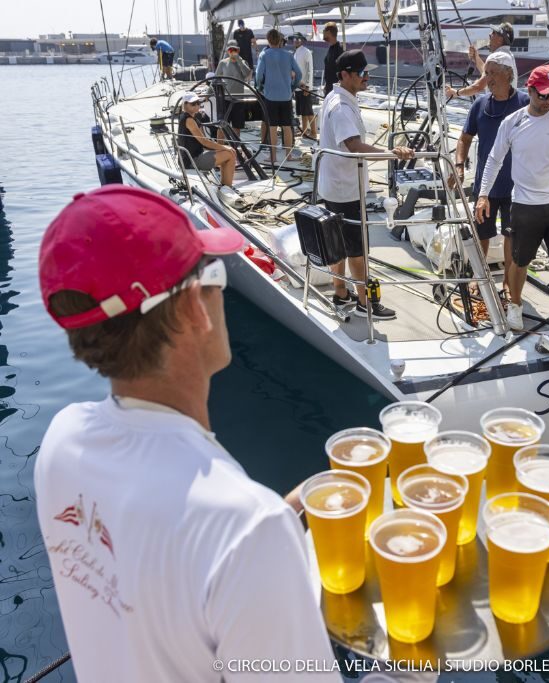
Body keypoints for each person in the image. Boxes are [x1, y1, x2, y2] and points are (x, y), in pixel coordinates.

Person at [35, 185, 340, 682]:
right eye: (215, 273)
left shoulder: (60, 444)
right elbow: (220, 536)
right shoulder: (245, 528)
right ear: (193, 308)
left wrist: (282, 518)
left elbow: (152, 563)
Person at [476, 65, 549, 348]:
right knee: (519, 261)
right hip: (524, 205)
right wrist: (483, 194)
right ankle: (514, 305)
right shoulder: (513, 122)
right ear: (529, 91)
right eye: (542, 96)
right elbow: (494, 159)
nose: (548, 101)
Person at [318, 49, 414, 320]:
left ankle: (340, 292)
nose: (366, 77)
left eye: (367, 72)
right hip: (346, 190)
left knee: (338, 244)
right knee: (357, 250)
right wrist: (392, 153)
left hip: (335, 186)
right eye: (361, 73)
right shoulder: (341, 107)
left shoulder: (336, 97)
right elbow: (353, 145)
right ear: (345, 75)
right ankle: (365, 303)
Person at [452, 50, 528, 296]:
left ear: (509, 74)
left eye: (493, 73)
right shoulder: (480, 104)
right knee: (481, 232)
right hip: (486, 185)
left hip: (516, 185)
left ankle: (507, 279)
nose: (488, 78)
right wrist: (459, 164)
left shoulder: (525, 103)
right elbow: (464, 139)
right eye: (486, 73)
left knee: (511, 235)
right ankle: (479, 275)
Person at [255, 29, 302, 162]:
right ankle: (289, 155)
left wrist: (259, 87)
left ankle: (273, 156)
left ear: (268, 40)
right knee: (287, 126)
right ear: (280, 40)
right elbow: (299, 74)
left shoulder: (264, 55)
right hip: (286, 96)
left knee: (272, 127)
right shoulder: (289, 55)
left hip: (270, 96)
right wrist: (292, 86)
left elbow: (259, 76)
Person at [177, 92, 236, 187]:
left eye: (198, 103)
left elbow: (203, 141)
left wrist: (221, 147)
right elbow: (204, 141)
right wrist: (224, 147)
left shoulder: (191, 117)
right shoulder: (189, 120)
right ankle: (227, 187)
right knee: (231, 154)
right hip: (192, 161)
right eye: (193, 104)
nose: (196, 106)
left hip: (192, 156)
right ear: (185, 104)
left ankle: (225, 186)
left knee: (227, 152)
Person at [445, 23, 518, 99]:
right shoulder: (508, 56)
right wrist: (476, 58)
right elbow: (487, 73)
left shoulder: (497, 57)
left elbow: (478, 86)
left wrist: (456, 93)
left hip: (499, 109)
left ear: (500, 39)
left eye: (493, 33)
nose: (490, 34)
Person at [216, 40, 253, 140]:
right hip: (226, 99)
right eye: (231, 49)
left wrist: (239, 60)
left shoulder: (243, 62)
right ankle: (220, 148)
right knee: (222, 125)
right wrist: (208, 94)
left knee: (237, 126)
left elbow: (246, 74)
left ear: (238, 50)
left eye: (235, 49)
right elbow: (215, 80)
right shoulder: (223, 63)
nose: (233, 52)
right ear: (228, 51)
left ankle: (235, 148)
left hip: (238, 100)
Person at [293, 33, 317, 140]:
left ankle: (313, 132)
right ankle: (304, 131)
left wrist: (307, 86)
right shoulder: (295, 53)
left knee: (308, 110)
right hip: (298, 86)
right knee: (302, 111)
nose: (296, 41)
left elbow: (309, 70)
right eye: (294, 39)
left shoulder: (306, 52)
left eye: (298, 39)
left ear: (302, 40)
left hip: (305, 87)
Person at [322, 22, 344, 96]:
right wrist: (326, 84)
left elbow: (342, 70)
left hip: (336, 90)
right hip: (329, 87)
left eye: (324, 31)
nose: (323, 33)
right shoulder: (330, 48)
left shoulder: (339, 49)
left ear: (328, 32)